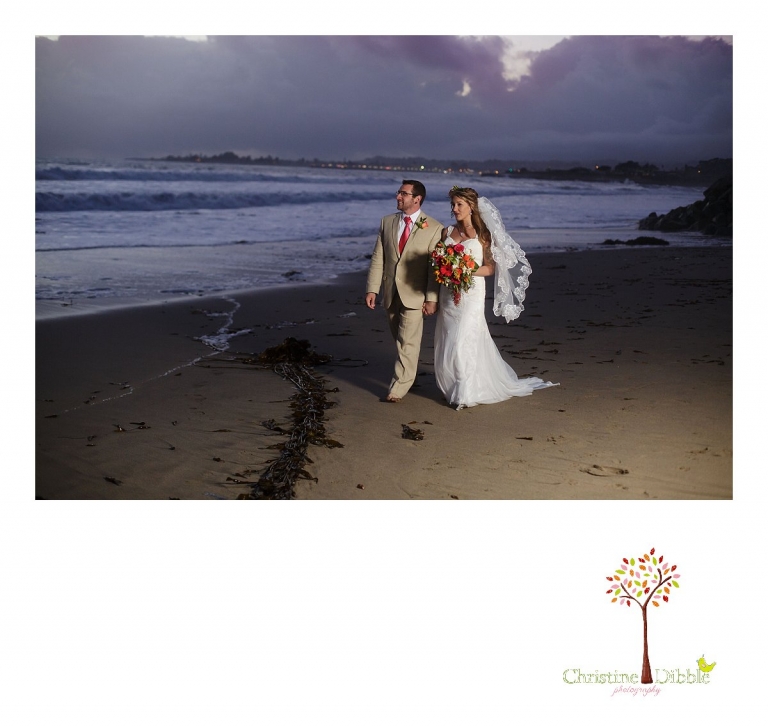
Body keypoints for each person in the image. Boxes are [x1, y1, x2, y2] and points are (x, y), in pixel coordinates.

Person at [433, 186, 558, 409]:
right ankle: (451, 384)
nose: (455, 209)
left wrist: (464, 270)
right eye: (452, 204)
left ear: (471, 207)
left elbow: (490, 269)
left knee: (464, 339)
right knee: (448, 337)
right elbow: (440, 261)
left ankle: (465, 389)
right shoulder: (446, 232)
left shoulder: (483, 236)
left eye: (459, 204)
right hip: (449, 294)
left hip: (471, 293)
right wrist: (446, 268)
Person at [366, 180, 443, 402]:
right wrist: (372, 288)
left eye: (403, 193)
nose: (398, 196)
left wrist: (431, 298)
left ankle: (398, 388)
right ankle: (410, 375)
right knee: (399, 339)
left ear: (417, 198)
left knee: (407, 341)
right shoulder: (387, 222)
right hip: (390, 292)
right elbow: (378, 258)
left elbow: (433, 269)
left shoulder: (434, 227)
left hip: (415, 295)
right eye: (399, 192)